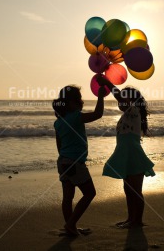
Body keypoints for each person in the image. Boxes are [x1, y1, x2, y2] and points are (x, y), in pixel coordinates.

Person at [97, 76, 155, 228]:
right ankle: (130, 218)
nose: (120, 102)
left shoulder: (134, 111)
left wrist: (108, 83)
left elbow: (119, 95)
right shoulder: (125, 116)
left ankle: (138, 220)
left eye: (123, 100)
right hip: (125, 156)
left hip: (134, 156)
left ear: (132, 102)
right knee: (128, 190)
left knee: (136, 191)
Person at [52, 84, 106, 236]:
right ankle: (70, 225)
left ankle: (70, 227)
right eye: (79, 99)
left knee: (67, 197)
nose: (81, 101)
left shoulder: (58, 122)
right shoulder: (76, 117)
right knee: (90, 193)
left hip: (62, 162)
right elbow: (98, 114)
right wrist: (101, 96)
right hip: (75, 163)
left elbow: (59, 146)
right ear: (72, 102)